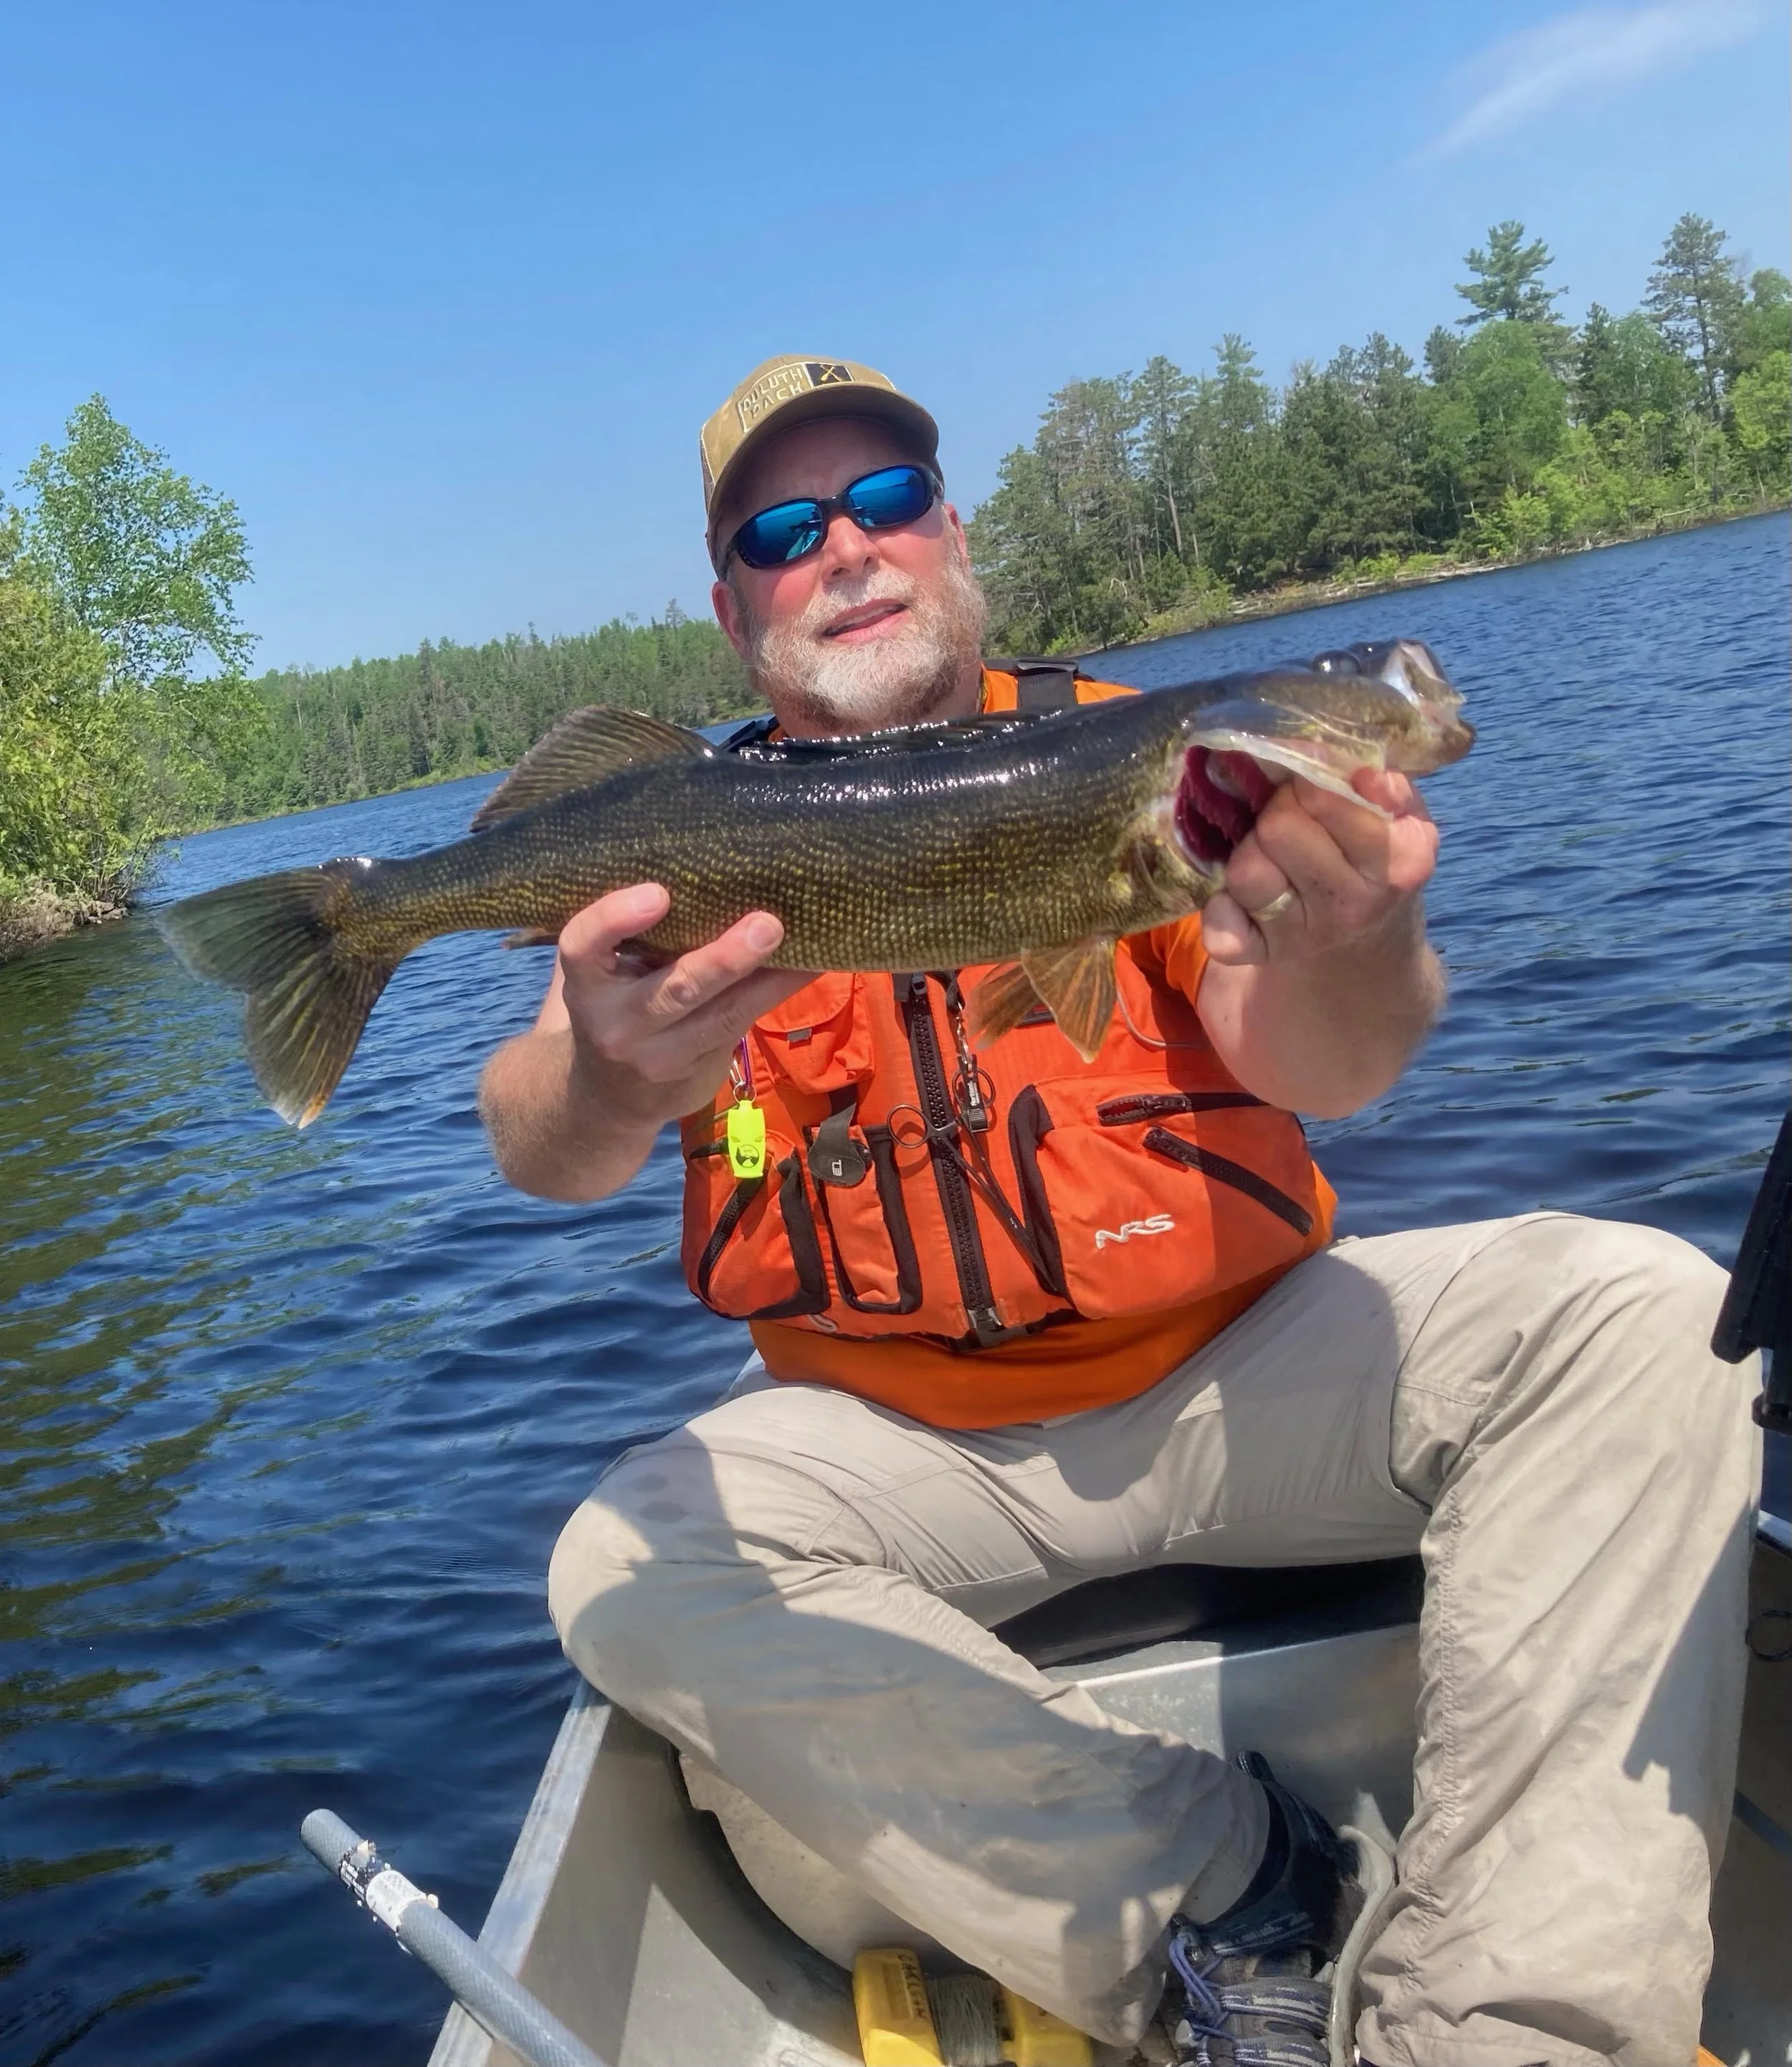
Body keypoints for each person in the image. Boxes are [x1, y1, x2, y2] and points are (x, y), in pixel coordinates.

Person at [479, 355, 1761, 2066]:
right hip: (900, 1436)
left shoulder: (1154, 760)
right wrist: (613, 1080)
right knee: (619, 1566)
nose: (846, 547)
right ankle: (1225, 1886)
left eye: (884, 502)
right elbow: (537, 1136)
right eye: (787, 528)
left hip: (1248, 1375)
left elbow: (1326, 1067)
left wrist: (1350, 939)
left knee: (1646, 1313)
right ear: (734, 606)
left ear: (948, 534)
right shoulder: (683, 831)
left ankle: (1504, 2030)